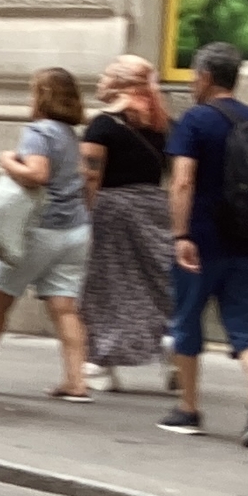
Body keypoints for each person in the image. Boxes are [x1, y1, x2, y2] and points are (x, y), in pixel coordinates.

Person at [0, 67, 92, 400]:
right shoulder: (70, 134)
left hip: (38, 232)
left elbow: (37, 175)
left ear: (42, 96)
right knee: (65, 309)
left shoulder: (39, 132)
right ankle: (76, 382)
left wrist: (7, 160)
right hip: (75, 232)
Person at [162, 42, 248, 446]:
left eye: (193, 77)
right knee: (244, 330)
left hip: (202, 241)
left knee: (187, 321)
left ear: (205, 77)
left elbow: (182, 181)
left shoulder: (195, 121)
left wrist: (181, 234)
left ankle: (188, 408)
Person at [77, 55, 173, 392]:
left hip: (113, 209)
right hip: (153, 208)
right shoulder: (162, 125)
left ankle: (100, 363)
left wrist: (85, 216)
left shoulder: (103, 126)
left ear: (119, 83)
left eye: (105, 75)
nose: (100, 81)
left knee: (105, 286)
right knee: (154, 284)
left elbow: (90, 176)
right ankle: (170, 342)